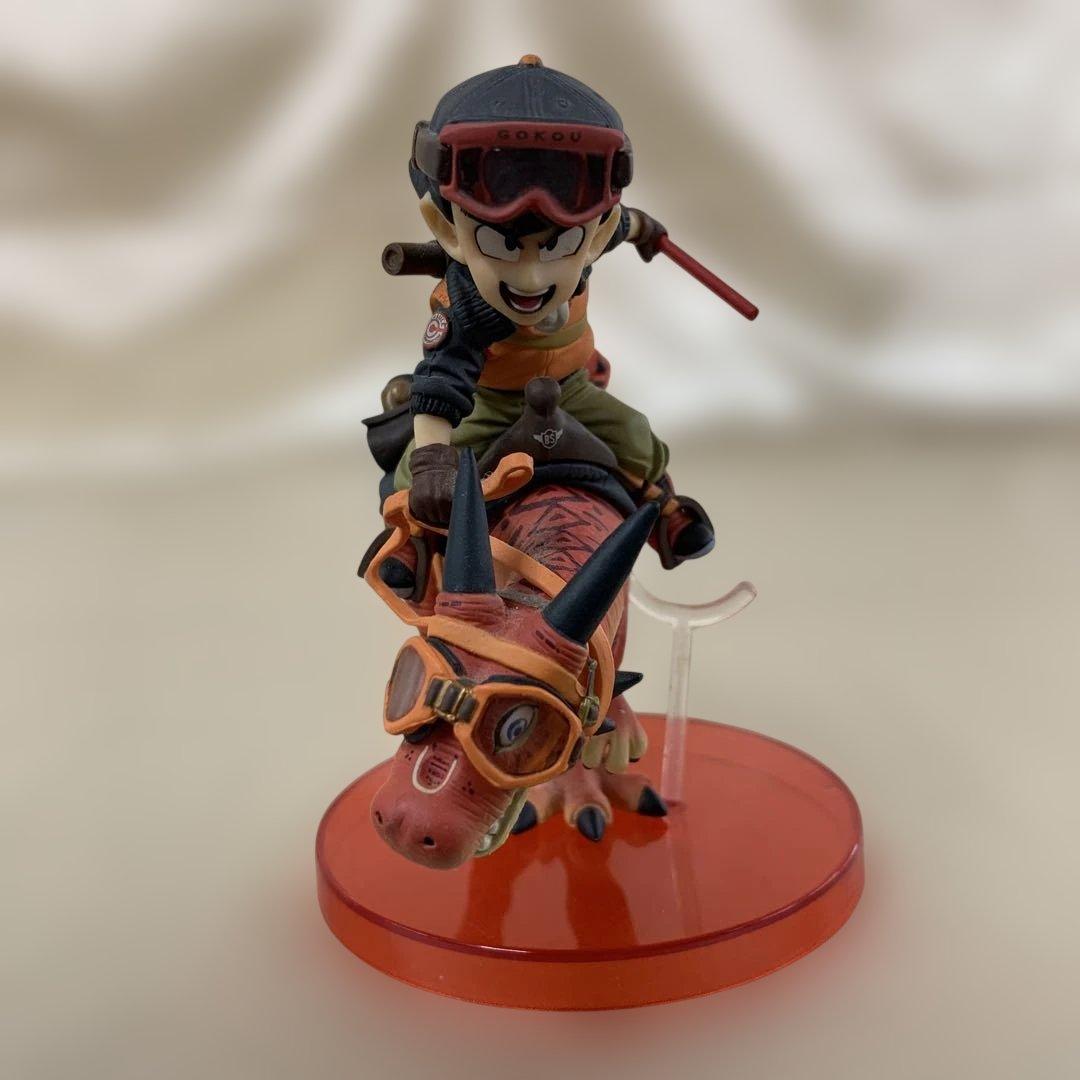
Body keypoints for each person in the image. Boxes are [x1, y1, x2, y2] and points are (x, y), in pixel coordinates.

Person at [386, 55, 713, 569]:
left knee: (636, 435)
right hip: (487, 406)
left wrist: (643, 229)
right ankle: (412, 541)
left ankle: (664, 510)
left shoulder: (593, 239)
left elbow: (621, 224)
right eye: (499, 244)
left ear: (594, 237)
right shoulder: (466, 307)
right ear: (447, 230)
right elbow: (440, 387)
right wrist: (432, 463)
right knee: (410, 470)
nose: (532, 279)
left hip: (572, 389)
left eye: (558, 246)